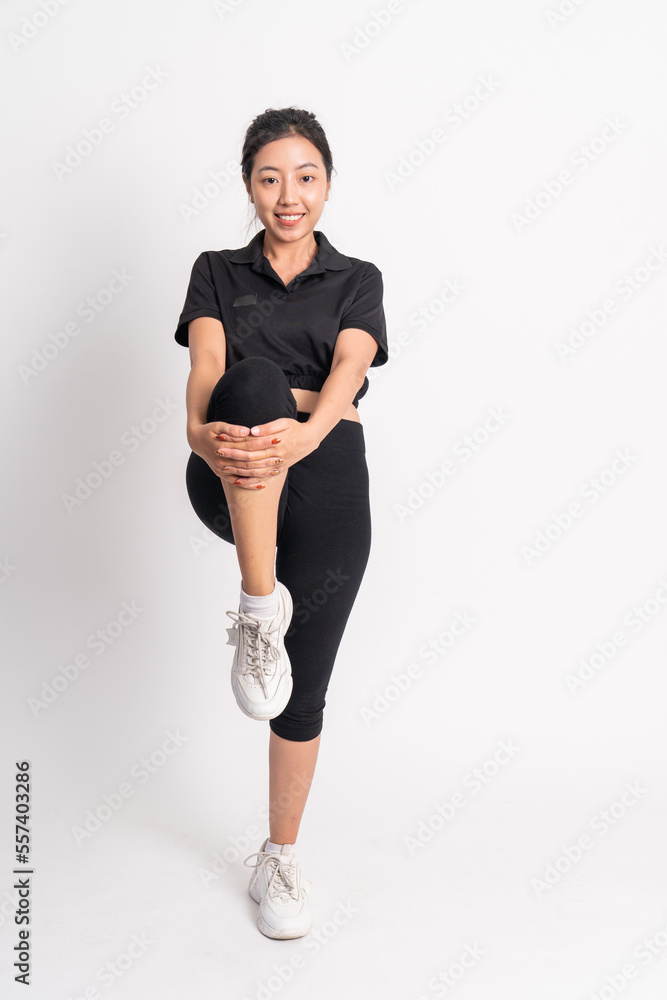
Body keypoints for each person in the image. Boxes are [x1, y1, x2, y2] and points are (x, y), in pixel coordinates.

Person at [173, 107, 389, 940]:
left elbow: (350, 368)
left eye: (304, 177)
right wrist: (206, 436)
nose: (287, 194)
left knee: (302, 695)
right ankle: (258, 604)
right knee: (253, 380)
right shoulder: (216, 272)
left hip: (327, 475)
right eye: (269, 177)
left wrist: (305, 434)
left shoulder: (357, 277)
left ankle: (280, 857)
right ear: (248, 188)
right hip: (227, 472)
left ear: (326, 184)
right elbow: (208, 370)